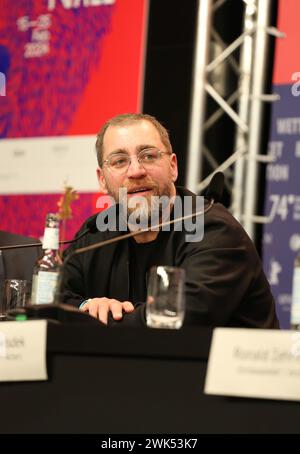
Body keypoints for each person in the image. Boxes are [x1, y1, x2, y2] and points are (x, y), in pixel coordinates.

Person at [63, 113, 279, 328]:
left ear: (173, 166)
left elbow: (174, 322)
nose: (136, 171)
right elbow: (50, 299)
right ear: (102, 180)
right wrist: (86, 306)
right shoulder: (94, 232)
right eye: (120, 161)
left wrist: (93, 320)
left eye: (148, 156)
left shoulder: (215, 231)